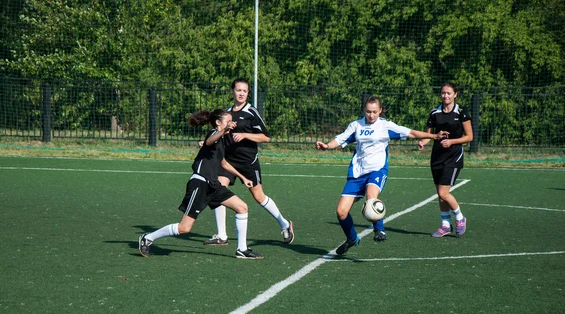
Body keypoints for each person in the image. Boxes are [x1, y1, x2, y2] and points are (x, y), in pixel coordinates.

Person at [316, 96, 448, 255]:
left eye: (374, 112)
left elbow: (411, 133)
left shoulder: (386, 126)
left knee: (371, 196)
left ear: (380, 111)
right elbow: (341, 139)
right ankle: (352, 238)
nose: (371, 115)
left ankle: (379, 230)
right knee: (341, 212)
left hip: (377, 169)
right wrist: (327, 146)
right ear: (364, 111)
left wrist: (433, 136)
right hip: (357, 172)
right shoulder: (356, 125)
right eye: (368, 111)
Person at [138, 109, 263, 259]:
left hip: (214, 185)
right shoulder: (213, 134)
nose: (231, 124)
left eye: (231, 122)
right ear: (218, 123)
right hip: (200, 184)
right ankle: (148, 238)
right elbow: (210, 140)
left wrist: (242, 177)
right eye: (228, 121)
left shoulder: (222, 140)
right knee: (184, 228)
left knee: (242, 207)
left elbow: (223, 163)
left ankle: (242, 249)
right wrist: (224, 130)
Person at [203, 78, 294, 246]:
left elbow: (266, 137)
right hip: (228, 162)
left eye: (244, 91)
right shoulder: (227, 113)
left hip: (248, 163)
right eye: (238, 90)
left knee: (259, 197)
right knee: (217, 191)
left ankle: (284, 224)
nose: (241, 93)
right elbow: (220, 132)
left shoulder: (251, 112)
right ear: (233, 91)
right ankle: (222, 235)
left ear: (248, 93)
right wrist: (209, 142)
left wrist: (245, 135)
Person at [418, 82, 473, 237]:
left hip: (454, 156)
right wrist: (423, 141)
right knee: (440, 194)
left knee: (443, 193)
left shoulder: (461, 113)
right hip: (437, 156)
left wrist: (452, 142)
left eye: (449, 93)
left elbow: (469, 137)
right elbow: (429, 134)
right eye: (443, 93)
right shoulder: (435, 112)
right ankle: (445, 225)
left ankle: (460, 218)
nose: (446, 96)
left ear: (455, 94)